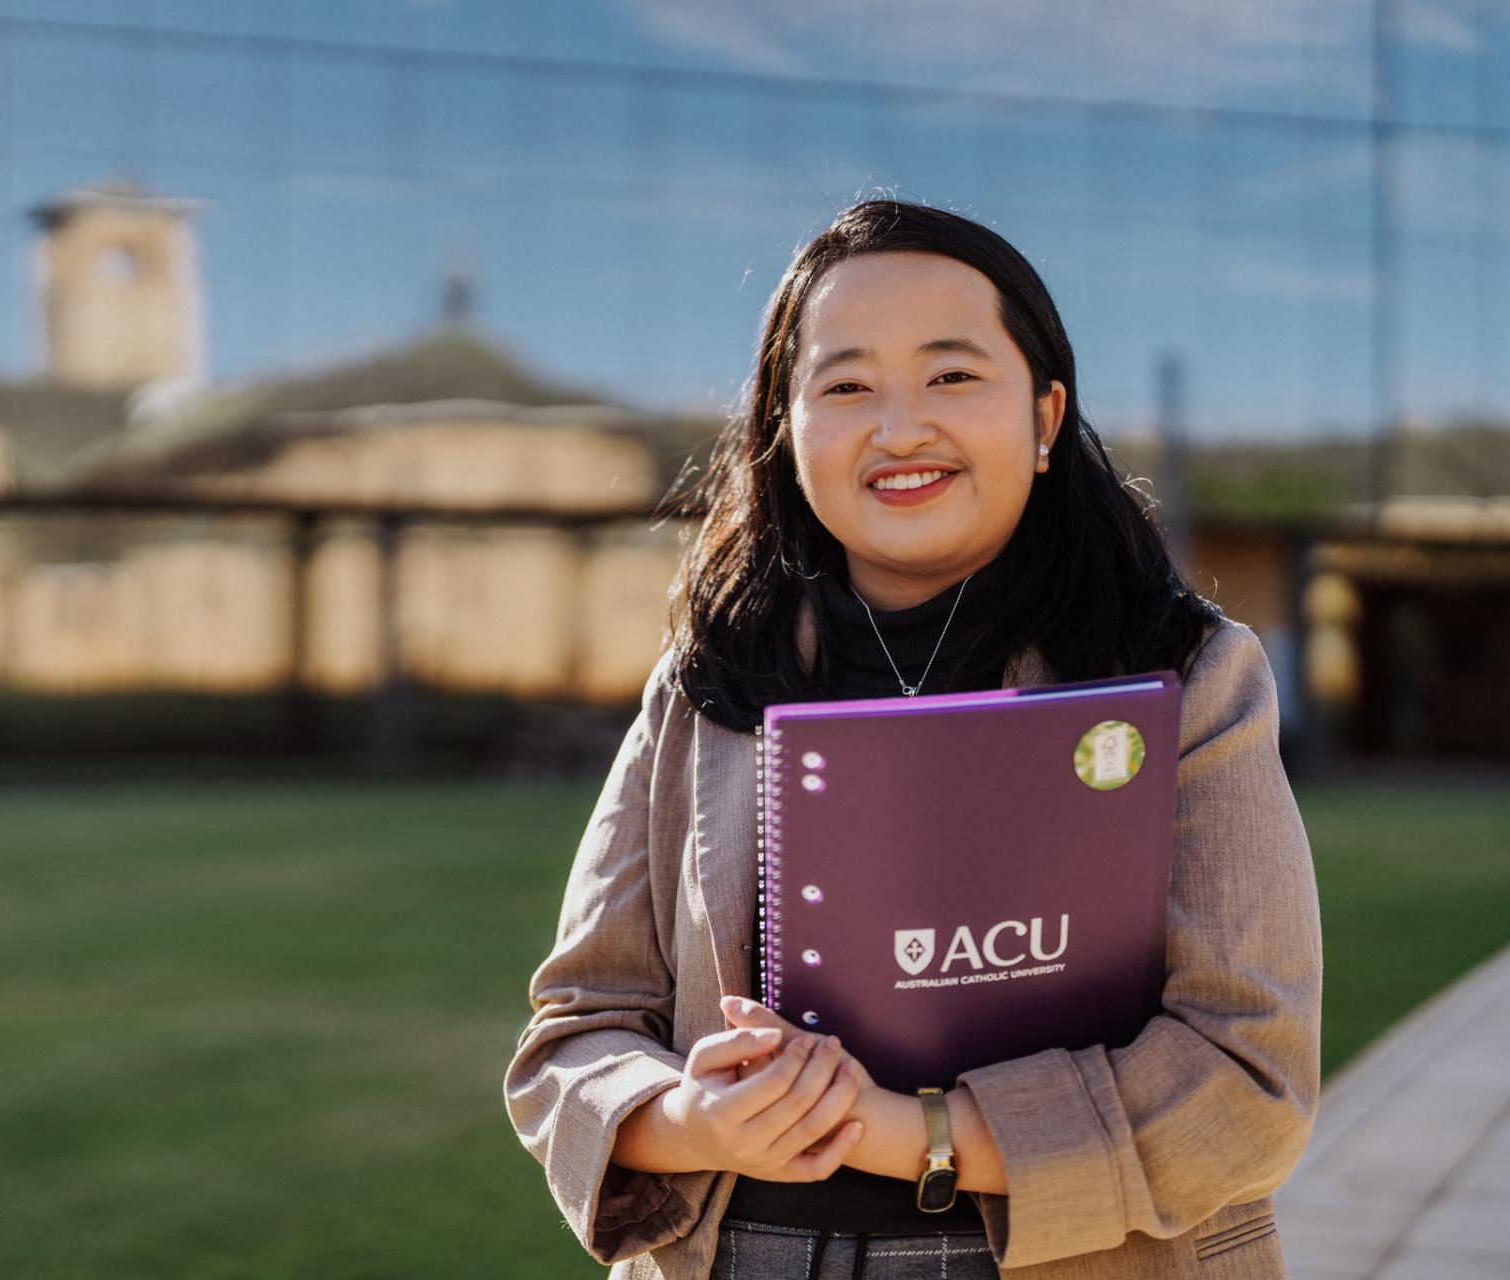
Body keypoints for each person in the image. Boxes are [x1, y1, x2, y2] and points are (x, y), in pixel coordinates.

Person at [503, 198, 1322, 1279]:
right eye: (845, 385)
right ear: (786, 433)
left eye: (951, 375)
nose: (898, 428)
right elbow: (576, 1031)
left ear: (1043, 415)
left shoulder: (1186, 673)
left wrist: (914, 1130)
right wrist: (695, 1118)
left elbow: (1245, 1074)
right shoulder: (706, 686)